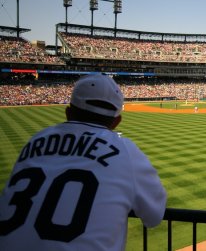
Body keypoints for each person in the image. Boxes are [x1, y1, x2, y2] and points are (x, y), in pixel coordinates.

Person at [0, 74, 167, 251]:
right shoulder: (125, 150)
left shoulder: (35, 140)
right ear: (117, 121)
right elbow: (154, 217)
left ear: (68, 111)